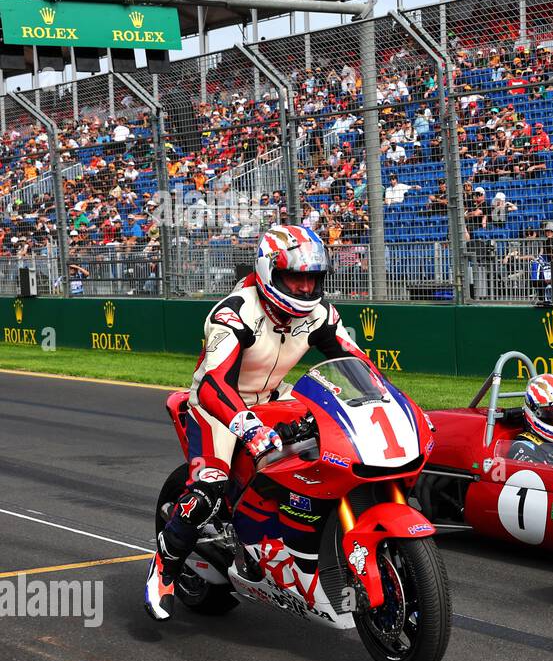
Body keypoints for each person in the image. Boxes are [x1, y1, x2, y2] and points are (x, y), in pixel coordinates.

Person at [144, 225, 383, 621]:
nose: (306, 289)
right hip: (218, 404)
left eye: (313, 279)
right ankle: (165, 566)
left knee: (337, 440)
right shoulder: (234, 312)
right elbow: (214, 384)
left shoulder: (321, 314)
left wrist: (388, 400)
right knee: (209, 487)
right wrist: (248, 427)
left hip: (274, 396)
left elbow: (359, 364)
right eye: (295, 277)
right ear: (270, 271)